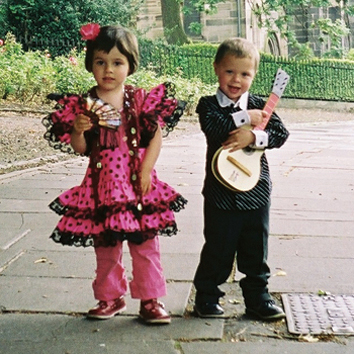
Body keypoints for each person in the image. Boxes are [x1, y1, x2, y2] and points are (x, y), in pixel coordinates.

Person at [42, 24, 187, 324]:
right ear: (90, 65)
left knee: (145, 244)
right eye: (100, 62)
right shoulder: (85, 104)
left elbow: (155, 137)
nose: (108, 70)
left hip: (138, 184)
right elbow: (82, 149)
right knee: (105, 246)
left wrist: (147, 170)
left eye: (117, 62)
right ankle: (110, 297)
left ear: (130, 66)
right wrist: (78, 131)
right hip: (102, 186)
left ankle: (151, 299)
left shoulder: (139, 99)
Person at [193, 37, 289, 320]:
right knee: (218, 247)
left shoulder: (263, 105)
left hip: (255, 191)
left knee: (255, 247)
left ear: (254, 75)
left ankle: (258, 297)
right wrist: (244, 117)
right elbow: (214, 128)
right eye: (229, 71)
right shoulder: (209, 105)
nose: (236, 79)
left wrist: (256, 135)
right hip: (220, 193)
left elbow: (281, 134)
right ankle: (208, 295)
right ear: (216, 69)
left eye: (245, 74)